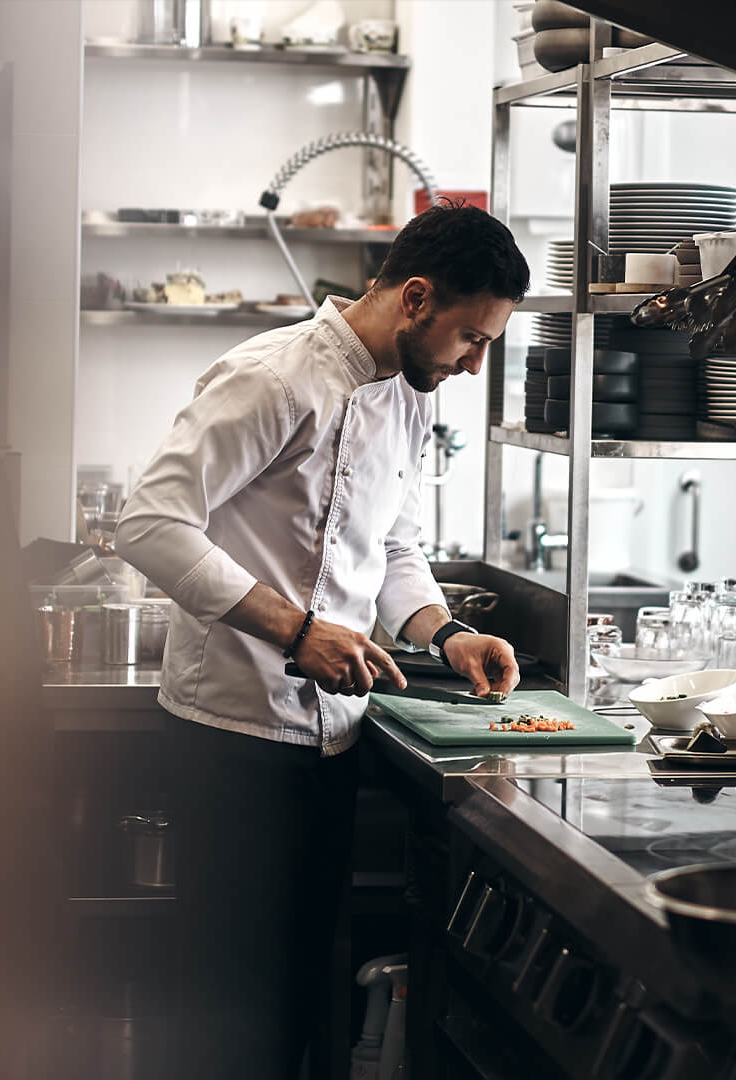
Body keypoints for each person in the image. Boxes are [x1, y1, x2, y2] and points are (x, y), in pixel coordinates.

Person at [114, 203, 530, 1078]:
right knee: (224, 1010)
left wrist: (445, 632)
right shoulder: (271, 377)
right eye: (471, 338)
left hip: (332, 740)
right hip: (229, 737)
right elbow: (149, 523)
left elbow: (392, 545)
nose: (474, 363)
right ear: (415, 297)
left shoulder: (410, 397)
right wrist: (295, 631)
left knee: (298, 1005)